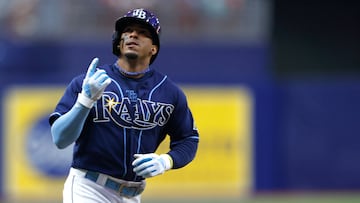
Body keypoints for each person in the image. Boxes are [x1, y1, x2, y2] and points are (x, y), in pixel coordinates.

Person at [49, 8, 199, 203]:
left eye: (143, 32)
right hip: (88, 188)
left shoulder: (169, 92)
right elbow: (60, 138)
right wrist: (84, 101)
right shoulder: (90, 82)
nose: (133, 34)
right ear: (119, 42)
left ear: (154, 48)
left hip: (132, 195)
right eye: (127, 30)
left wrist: (166, 160)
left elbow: (188, 139)